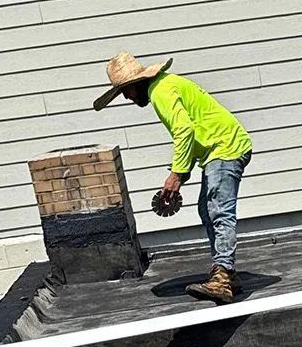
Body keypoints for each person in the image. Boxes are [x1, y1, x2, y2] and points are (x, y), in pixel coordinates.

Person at [93, 52, 253, 303]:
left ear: (137, 83)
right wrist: (181, 173)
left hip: (225, 148)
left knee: (218, 211)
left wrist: (176, 175)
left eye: (126, 90)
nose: (126, 96)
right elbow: (191, 131)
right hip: (220, 149)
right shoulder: (166, 84)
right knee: (206, 209)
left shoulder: (161, 92)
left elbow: (184, 131)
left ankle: (223, 277)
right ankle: (227, 275)